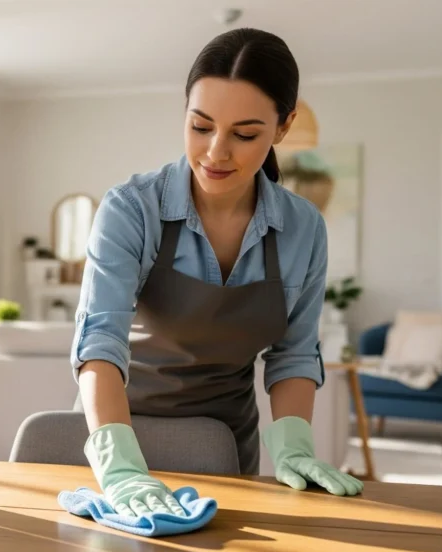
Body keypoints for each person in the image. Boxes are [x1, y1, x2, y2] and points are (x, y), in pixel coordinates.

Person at [72, 28, 363, 518]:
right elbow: (100, 338)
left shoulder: (303, 228)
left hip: (222, 442)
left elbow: (292, 354)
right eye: (200, 126)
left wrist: (293, 448)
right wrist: (119, 468)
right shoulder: (131, 209)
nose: (215, 152)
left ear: (284, 126)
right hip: (120, 435)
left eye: (245, 134)